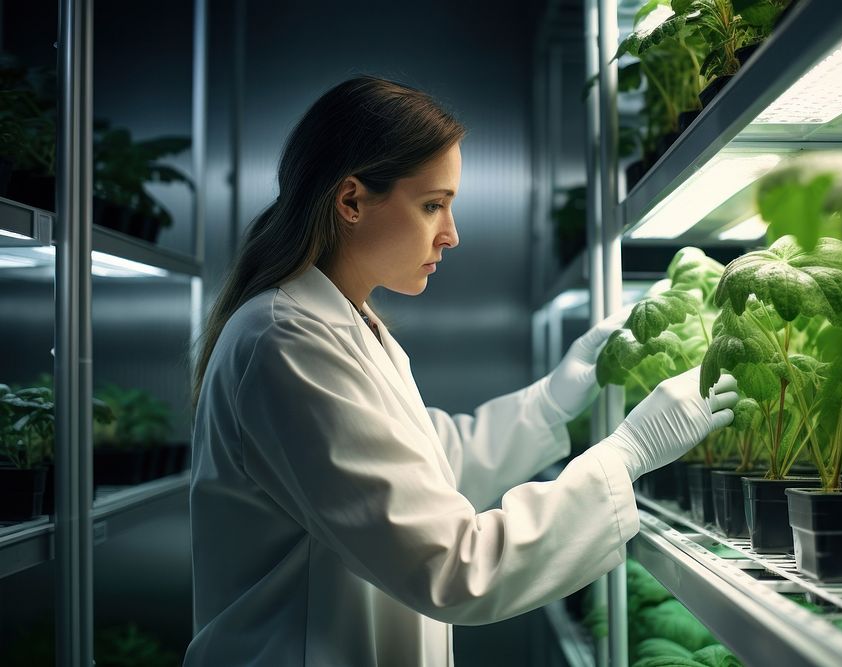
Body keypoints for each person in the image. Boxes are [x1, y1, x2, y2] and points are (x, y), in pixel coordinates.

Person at [184, 76, 738, 667]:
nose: (451, 234)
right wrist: (629, 452)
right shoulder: (287, 341)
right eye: (432, 205)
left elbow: (424, 467)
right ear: (350, 200)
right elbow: (453, 565)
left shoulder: (341, 323)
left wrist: (552, 402)